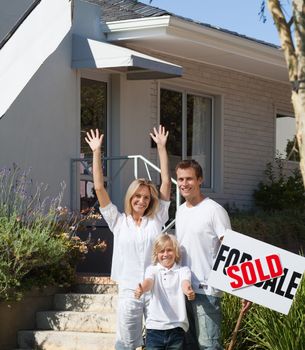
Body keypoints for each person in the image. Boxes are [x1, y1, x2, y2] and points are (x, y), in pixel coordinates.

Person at [85, 125, 171, 350]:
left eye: (146, 197)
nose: (141, 201)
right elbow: (99, 187)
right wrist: (96, 152)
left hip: (156, 289)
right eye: (137, 196)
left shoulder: (157, 219)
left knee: (157, 342)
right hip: (129, 290)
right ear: (130, 197)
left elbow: (166, 184)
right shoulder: (118, 221)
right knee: (126, 344)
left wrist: (161, 148)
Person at [175, 159, 251, 350]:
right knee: (189, 345)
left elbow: (231, 248)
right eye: (180, 179)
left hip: (207, 290)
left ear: (200, 180)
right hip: (183, 289)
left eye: (189, 179)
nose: (184, 184)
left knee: (208, 345)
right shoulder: (180, 211)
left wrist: (246, 288)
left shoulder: (214, 210)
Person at [134, 234, 195, 350]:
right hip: (154, 329)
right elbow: (149, 282)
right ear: (156, 254)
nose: (165, 254)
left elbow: (185, 284)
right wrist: (142, 288)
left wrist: (188, 291)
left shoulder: (183, 271)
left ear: (176, 252)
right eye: (161, 251)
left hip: (176, 329)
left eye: (169, 250)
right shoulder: (152, 270)